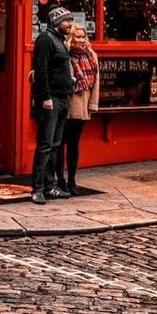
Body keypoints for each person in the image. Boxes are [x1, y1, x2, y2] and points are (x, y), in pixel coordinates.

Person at [30, 5, 75, 205]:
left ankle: (50, 186)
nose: (70, 25)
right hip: (51, 100)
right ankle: (37, 188)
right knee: (46, 145)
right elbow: (41, 71)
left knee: (55, 145)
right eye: (67, 21)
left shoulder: (60, 41)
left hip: (62, 97)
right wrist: (46, 97)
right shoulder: (46, 40)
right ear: (56, 22)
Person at [58, 24, 99, 195]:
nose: (81, 40)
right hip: (66, 105)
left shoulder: (92, 55)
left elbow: (96, 82)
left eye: (83, 37)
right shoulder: (65, 55)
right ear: (71, 38)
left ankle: (72, 179)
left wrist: (93, 105)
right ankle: (59, 179)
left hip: (82, 106)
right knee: (59, 144)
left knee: (74, 144)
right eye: (78, 37)